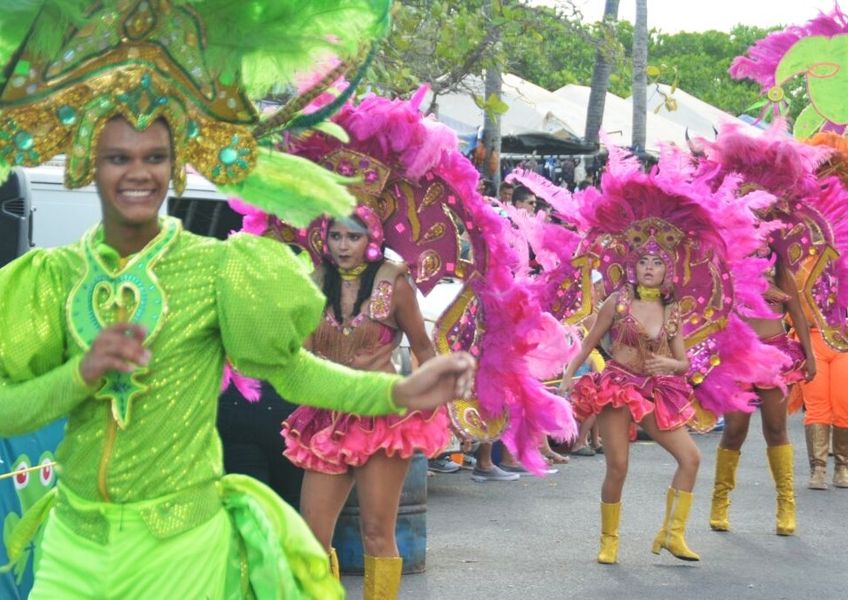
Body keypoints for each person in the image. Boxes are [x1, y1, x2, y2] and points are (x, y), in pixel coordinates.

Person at [0, 3, 475, 598]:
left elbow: (293, 371)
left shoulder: (221, 269)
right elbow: (8, 411)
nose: (137, 174)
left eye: (155, 157)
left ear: (176, 169)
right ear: (89, 165)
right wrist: (80, 374)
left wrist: (397, 392)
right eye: (118, 157)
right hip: (74, 546)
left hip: (182, 548)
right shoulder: (51, 278)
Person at [281, 207, 451, 597]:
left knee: (376, 533)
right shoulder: (314, 281)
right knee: (312, 537)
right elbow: (300, 352)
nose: (343, 246)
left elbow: (423, 347)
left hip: (381, 419)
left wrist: (436, 401)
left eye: (353, 237)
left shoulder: (395, 285)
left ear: (371, 240)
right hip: (326, 418)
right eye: (336, 236)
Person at [560, 253, 701, 564]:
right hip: (618, 388)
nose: (649, 268)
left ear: (669, 269)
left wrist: (669, 363)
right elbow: (588, 343)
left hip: (654, 389)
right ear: (632, 267)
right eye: (643, 261)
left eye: (657, 262)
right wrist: (568, 376)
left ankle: (672, 534)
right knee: (618, 466)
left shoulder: (671, 309)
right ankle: (609, 540)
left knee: (690, 457)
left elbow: (683, 362)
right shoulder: (618, 300)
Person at [709, 247, 815, 535]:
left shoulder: (783, 273)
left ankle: (786, 505)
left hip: (774, 354)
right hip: (737, 355)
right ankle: (720, 501)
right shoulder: (729, 269)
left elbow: (798, 316)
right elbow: (714, 310)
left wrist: (810, 355)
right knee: (734, 431)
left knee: (776, 428)